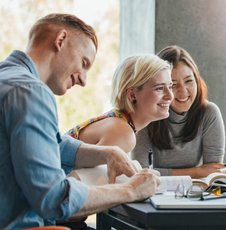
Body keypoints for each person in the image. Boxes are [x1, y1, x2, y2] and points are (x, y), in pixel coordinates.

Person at [0, 13, 160, 229]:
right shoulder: (31, 92)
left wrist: (108, 153)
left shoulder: (8, 80)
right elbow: (53, 199)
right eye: (84, 63)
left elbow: (50, 145)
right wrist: (131, 190)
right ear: (60, 40)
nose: (84, 80)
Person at [132, 45, 226, 178]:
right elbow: (139, 173)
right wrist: (197, 171)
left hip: (198, 193)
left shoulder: (209, 113)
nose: (182, 91)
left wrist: (160, 172)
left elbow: (214, 172)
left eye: (188, 81)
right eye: (173, 85)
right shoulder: (147, 114)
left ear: (197, 81)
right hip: (158, 192)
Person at [66, 54, 173, 153]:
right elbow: (81, 173)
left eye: (170, 87)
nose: (170, 96)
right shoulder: (123, 133)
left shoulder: (120, 121)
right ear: (132, 94)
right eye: (159, 88)